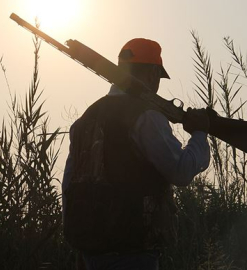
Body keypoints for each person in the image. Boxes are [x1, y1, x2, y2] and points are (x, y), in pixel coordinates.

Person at [62, 38, 210, 270]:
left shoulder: (85, 119)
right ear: (152, 74)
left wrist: (80, 244)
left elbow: (69, 185)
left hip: (90, 251)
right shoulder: (146, 116)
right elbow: (181, 172)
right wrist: (200, 134)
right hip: (132, 250)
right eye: (157, 77)